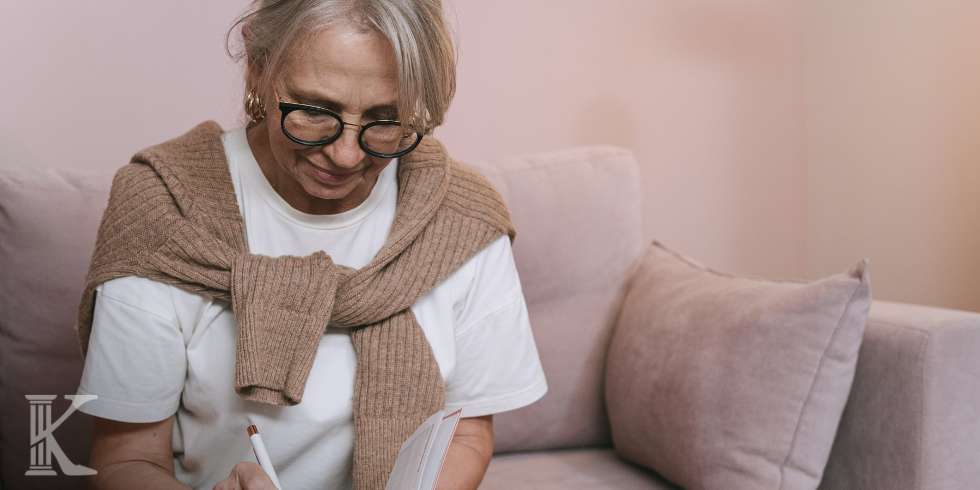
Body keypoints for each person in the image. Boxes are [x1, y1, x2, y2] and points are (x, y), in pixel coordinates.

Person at [74, 1, 547, 489]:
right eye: (315, 111)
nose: (345, 156)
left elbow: (466, 434)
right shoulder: (163, 210)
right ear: (259, 69)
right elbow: (128, 459)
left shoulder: (462, 220)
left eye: (386, 120)